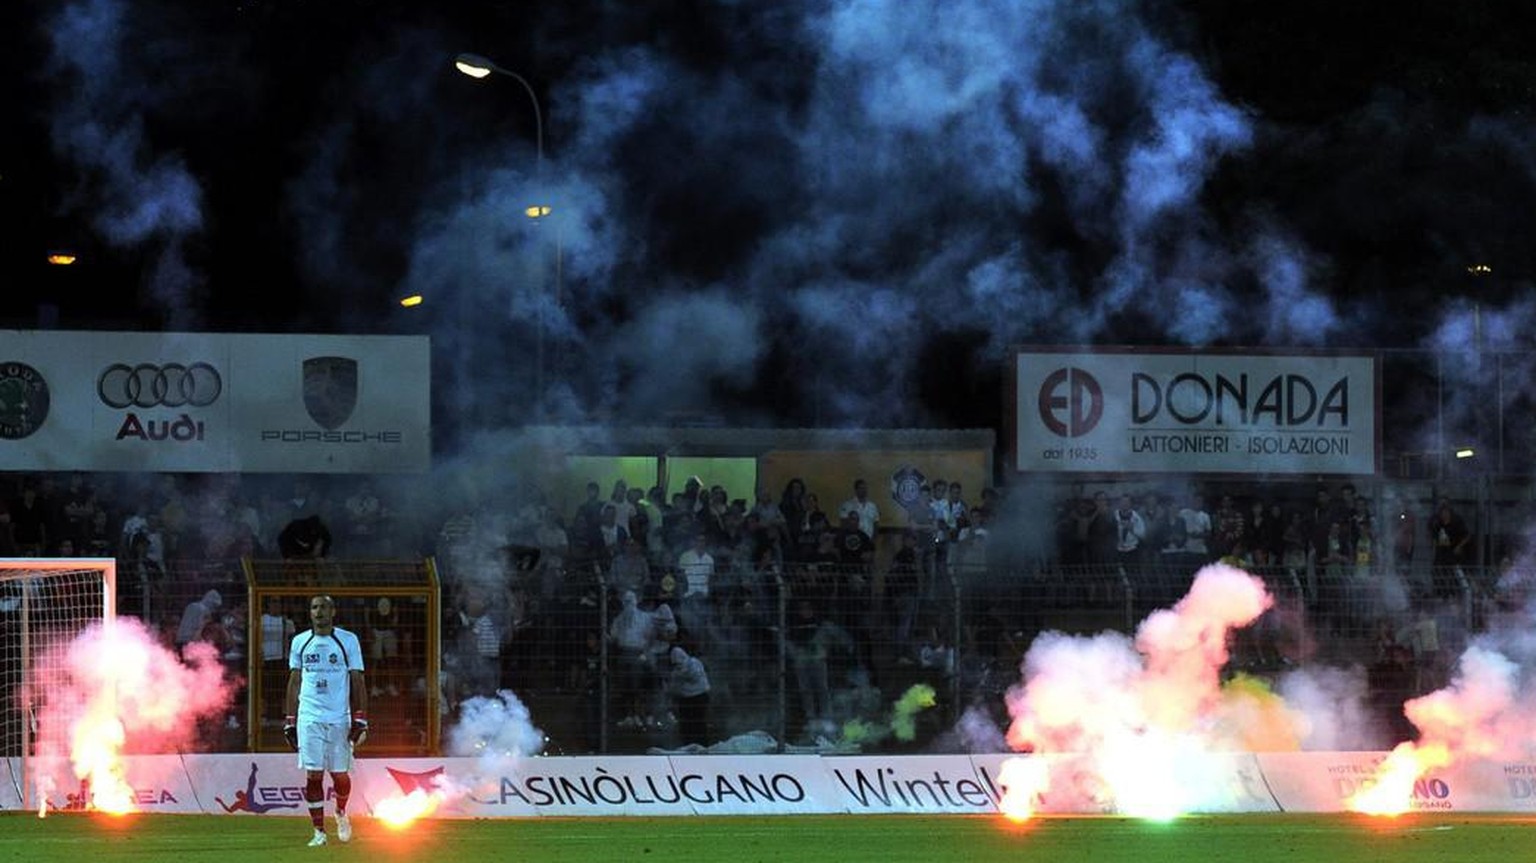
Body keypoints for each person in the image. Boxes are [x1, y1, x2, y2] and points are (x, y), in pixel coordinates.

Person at [284, 595, 367, 847]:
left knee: (340, 775)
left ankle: (340, 812)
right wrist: (290, 720)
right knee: (313, 774)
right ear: (310, 613)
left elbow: (358, 680)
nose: (319, 612)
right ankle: (319, 831)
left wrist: (361, 719)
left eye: (323, 607)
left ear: (333, 612)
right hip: (309, 717)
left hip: (339, 717)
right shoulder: (300, 641)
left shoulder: (347, 640)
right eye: (314, 607)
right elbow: (294, 681)